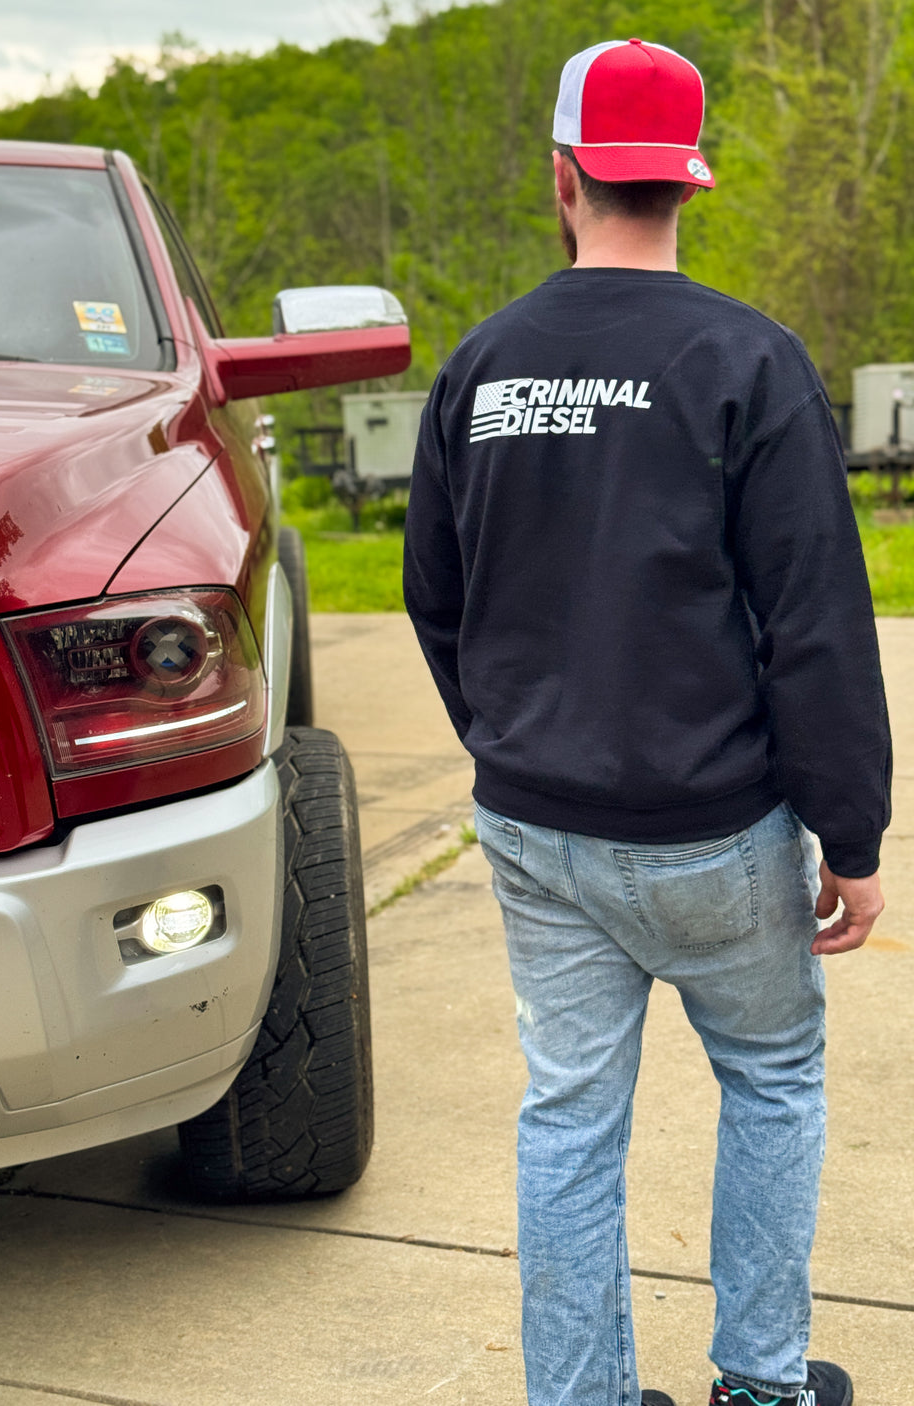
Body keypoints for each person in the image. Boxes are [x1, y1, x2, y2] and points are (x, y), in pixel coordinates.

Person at [402, 36, 890, 1406]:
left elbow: (437, 602)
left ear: (563, 177)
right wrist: (851, 833)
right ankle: (766, 1383)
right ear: (688, 185)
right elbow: (816, 626)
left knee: (567, 1114)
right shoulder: (750, 361)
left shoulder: (479, 369)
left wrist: (512, 738)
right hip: (712, 830)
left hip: (537, 823)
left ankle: (581, 1395)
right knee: (775, 1077)